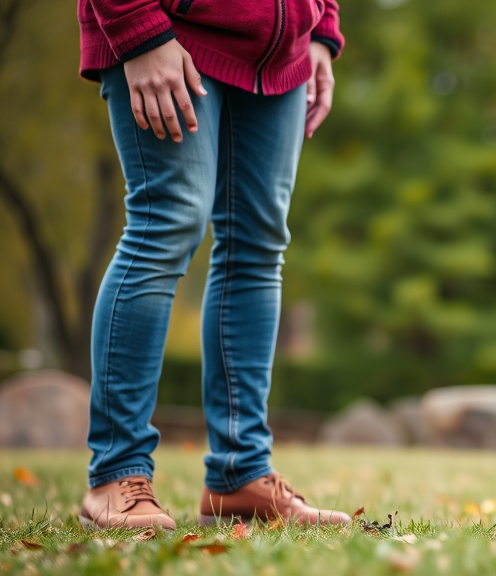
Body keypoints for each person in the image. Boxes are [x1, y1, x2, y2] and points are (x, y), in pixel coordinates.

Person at [75, 0, 348, 530]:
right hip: (171, 34)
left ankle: (239, 473)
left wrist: (322, 29)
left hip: (283, 54)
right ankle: (116, 472)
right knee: (168, 224)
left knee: (259, 247)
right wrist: (137, 30)